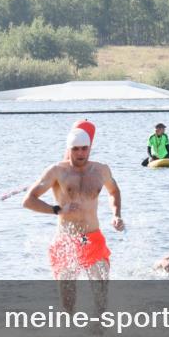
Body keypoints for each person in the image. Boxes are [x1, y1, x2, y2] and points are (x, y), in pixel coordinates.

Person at [23, 120, 124, 314]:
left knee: (101, 301)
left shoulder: (101, 170)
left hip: (91, 238)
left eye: (84, 149)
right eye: (75, 149)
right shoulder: (57, 171)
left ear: (90, 148)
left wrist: (116, 215)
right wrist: (57, 210)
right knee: (68, 305)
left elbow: (114, 191)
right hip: (66, 241)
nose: (80, 153)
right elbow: (28, 200)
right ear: (69, 149)